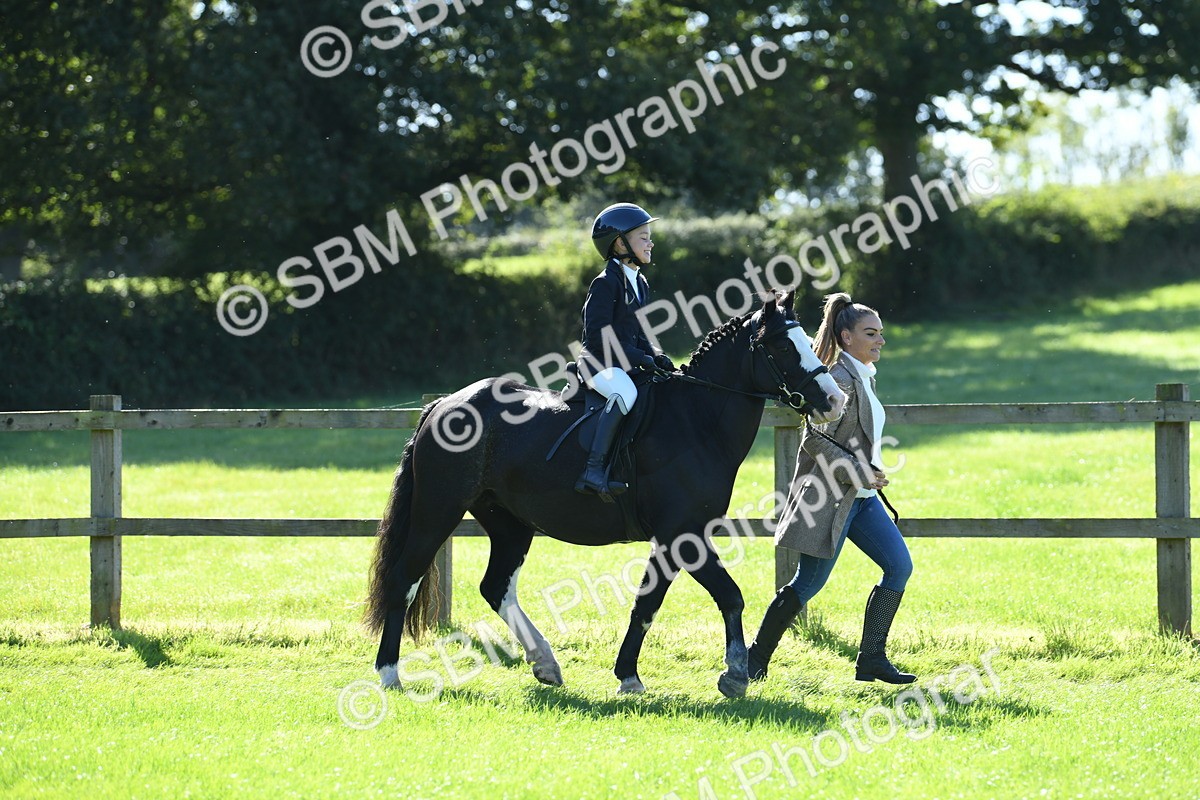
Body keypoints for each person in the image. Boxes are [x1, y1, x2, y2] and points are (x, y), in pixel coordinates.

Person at [747, 292, 916, 684]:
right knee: (808, 584)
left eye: (881, 333)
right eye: (871, 333)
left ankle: (871, 657)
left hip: (862, 498)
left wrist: (868, 474)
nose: (880, 341)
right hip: (831, 500)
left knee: (898, 566)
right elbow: (813, 440)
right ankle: (754, 658)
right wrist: (859, 469)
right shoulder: (840, 379)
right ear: (846, 337)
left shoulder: (864, 377)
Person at [574, 202, 675, 500]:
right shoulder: (605, 284)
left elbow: (638, 332)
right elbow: (598, 336)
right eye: (643, 237)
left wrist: (656, 355)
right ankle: (592, 469)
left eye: (649, 236)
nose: (650, 242)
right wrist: (639, 357)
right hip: (597, 364)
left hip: (623, 363)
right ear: (620, 243)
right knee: (626, 394)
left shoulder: (639, 282)